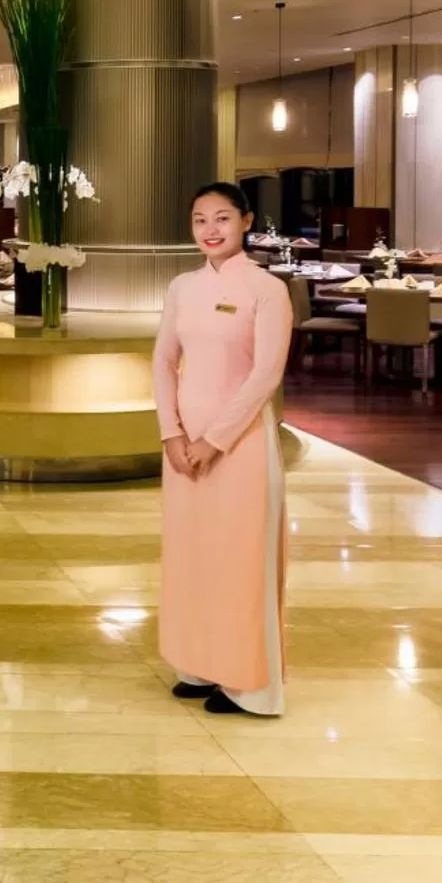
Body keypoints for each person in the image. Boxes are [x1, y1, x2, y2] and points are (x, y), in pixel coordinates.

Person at [151, 181, 293, 716]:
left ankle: (250, 686)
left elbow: (265, 376)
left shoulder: (266, 289)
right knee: (193, 556)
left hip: (243, 447)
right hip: (183, 447)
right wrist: (172, 432)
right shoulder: (181, 287)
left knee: (241, 561)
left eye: (222, 219)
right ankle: (199, 663)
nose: (209, 230)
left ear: (247, 222)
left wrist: (213, 441)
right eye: (199, 220)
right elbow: (164, 361)